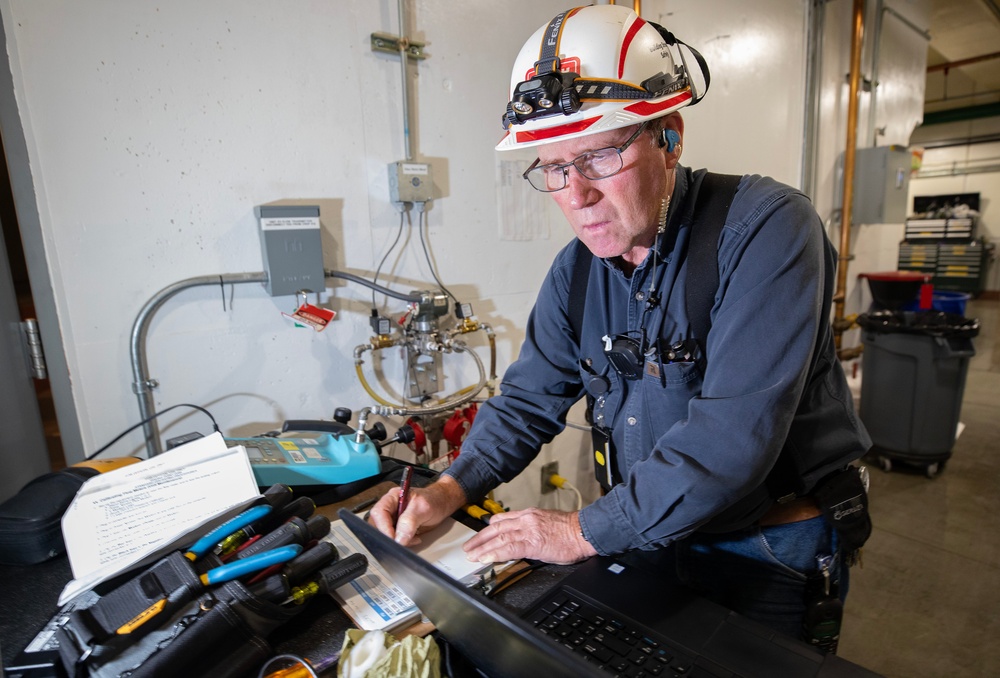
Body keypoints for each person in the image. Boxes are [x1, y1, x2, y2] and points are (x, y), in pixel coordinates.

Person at [370, 4, 871, 644]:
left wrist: (580, 531)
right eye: (553, 167)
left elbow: (732, 437)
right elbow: (527, 402)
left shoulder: (768, 231)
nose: (575, 195)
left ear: (669, 137)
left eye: (599, 156)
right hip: (649, 536)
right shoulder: (577, 272)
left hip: (768, 546)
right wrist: (450, 488)